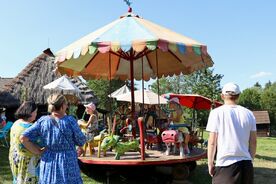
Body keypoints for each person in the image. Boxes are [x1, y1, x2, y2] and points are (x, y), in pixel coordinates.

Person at [21, 94, 86, 184]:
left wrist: (38, 151)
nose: (67, 106)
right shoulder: (70, 121)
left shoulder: (43, 121)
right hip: (68, 161)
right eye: (66, 104)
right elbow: (81, 140)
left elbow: (23, 138)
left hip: (48, 160)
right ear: (63, 106)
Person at [206, 82, 257, 184]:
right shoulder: (249, 114)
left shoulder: (216, 113)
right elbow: (253, 141)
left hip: (225, 165)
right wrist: (250, 160)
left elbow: (212, 142)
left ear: (222, 96)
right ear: (238, 96)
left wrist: (210, 163)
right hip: (246, 165)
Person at [9, 100, 42, 184]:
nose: (36, 114)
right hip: (28, 162)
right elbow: (41, 144)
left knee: (19, 179)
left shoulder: (16, 123)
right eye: (35, 112)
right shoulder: (31, 129)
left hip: (16, 158)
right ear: (30, 112)